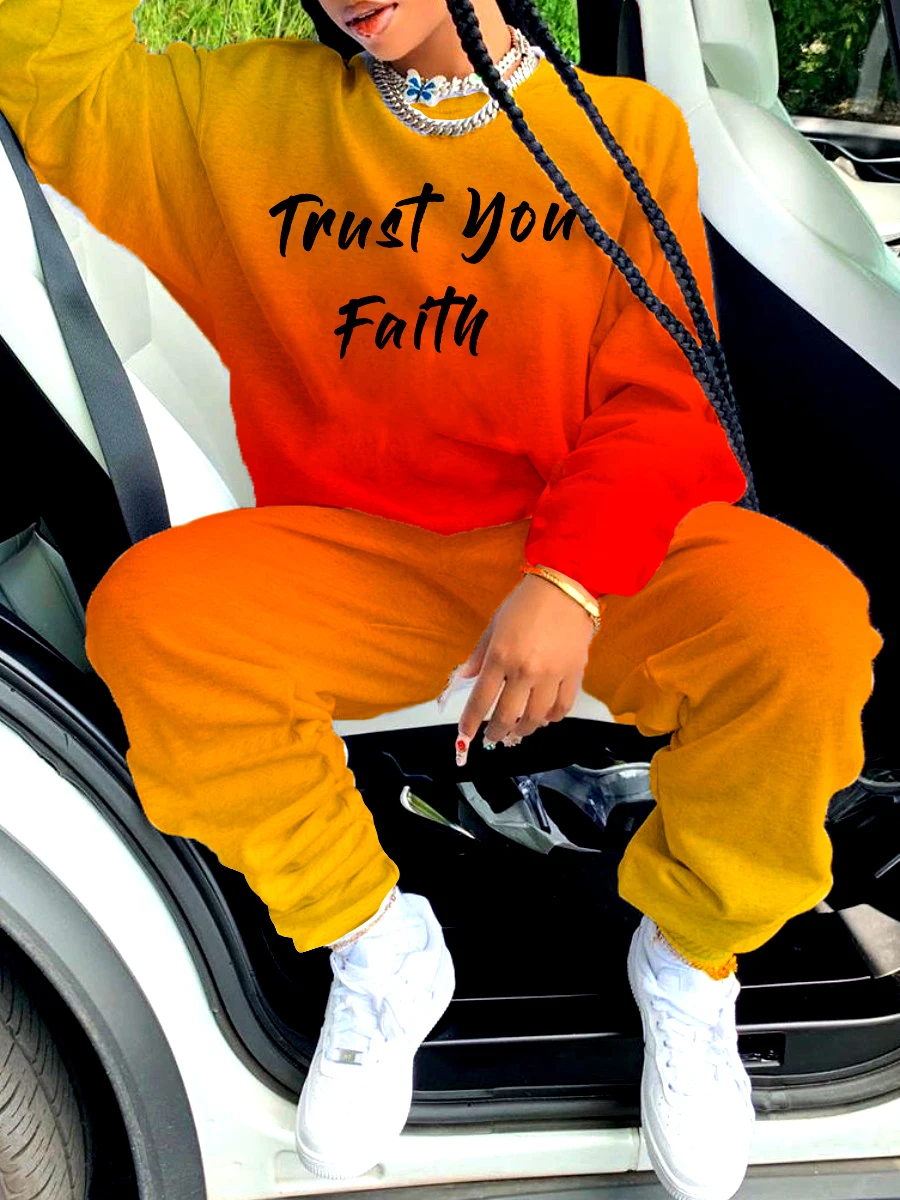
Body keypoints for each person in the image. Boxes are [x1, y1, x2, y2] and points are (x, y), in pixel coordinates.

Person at [0, 0, 883, 1195]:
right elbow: (49, 73)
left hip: (588, 545)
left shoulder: (625, 130)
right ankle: (376, 943)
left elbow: (665, 395)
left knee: (806, 626)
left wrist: (567, 577)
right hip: (366, 554)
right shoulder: (238, 114)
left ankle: (691, 954)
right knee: (155, 619)